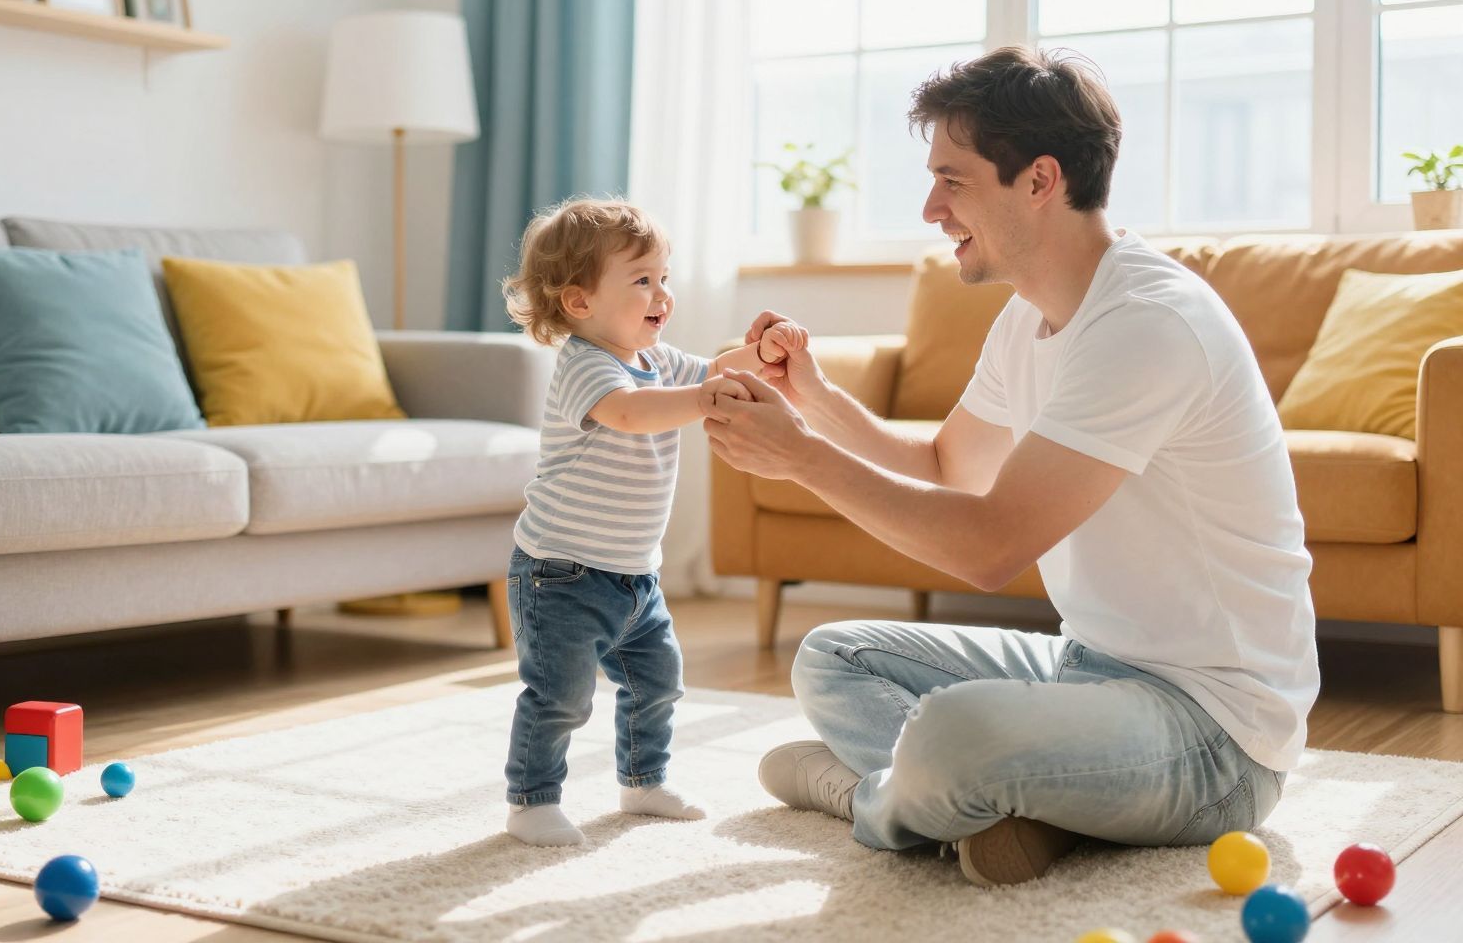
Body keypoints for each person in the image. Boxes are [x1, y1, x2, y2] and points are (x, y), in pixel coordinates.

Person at [697, 46, 1319, 886]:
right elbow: (951, 464)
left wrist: (801, 460)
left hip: (1217, 737)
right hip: (1090, 667)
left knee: (959, 734)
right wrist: (812, 399)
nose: (928, 207)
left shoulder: (1148, 323)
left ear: (1039, 180)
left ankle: (869, 800)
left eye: (952, 180)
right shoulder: (1030, 316)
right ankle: (999, 806)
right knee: (834, 657)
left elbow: (987, 548)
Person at [499, 198, 807, 847]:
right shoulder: (587, 365)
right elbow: (631, 414)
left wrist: (759, 353)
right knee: (561, 696)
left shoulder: (657, 358)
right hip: (561, 575)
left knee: (657, 684)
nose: (662, 294)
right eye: (642, 280)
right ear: (580, 303)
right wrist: (701, 400)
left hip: (635, 576)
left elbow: (717, 372)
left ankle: (643, 782)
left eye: (664, 278)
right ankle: (531, 799)